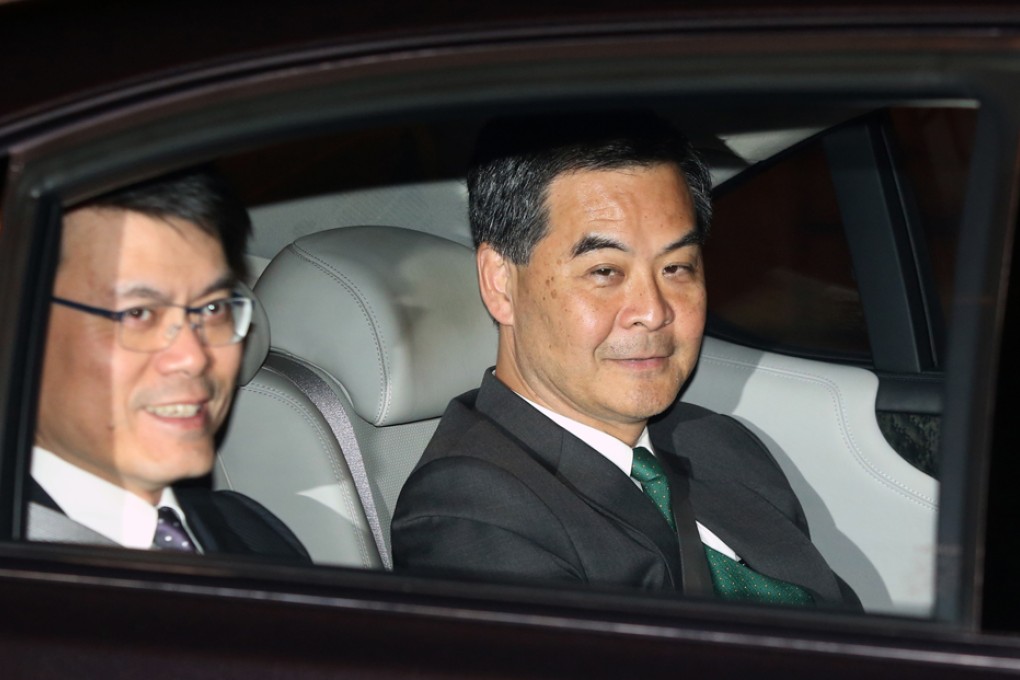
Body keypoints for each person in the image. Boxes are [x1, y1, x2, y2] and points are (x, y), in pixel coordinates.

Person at [391, 112, 860, 608]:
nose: (654, 311)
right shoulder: (470, 510)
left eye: (676, 267)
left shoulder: (720, 443)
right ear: (500, 283)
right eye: (605, 271)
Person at [29, 168, 309, 561]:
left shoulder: (255, 535)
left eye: (213, 308)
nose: (194, 357)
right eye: (138, 314)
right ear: (18, 329)